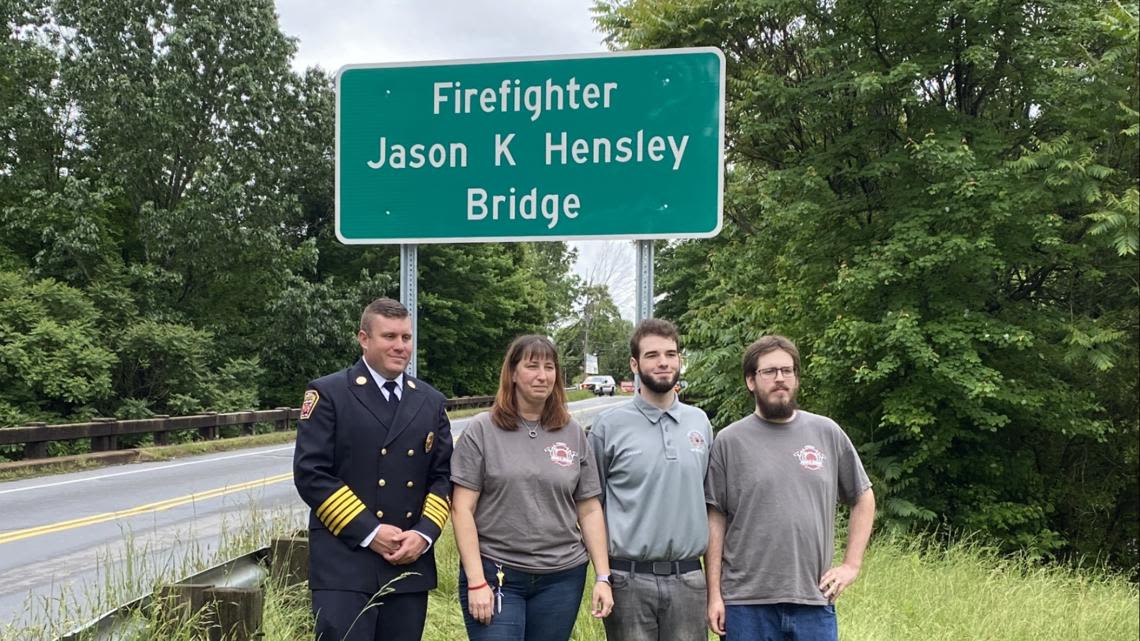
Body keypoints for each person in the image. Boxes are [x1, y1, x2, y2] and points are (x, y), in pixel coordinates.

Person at [293, 297, 453, 641]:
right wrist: (370, 531)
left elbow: (442, 477)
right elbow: (312, 473)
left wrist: (424, 534)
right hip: (345, 560)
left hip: (408, 559)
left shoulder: (431, 401)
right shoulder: (329, 393)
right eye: (389, 336)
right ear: (363, 339)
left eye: (406, 338)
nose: (400, 346)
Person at [704, 335, 875, 641]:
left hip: (814, 601)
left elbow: (863, 497)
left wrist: (851, 565)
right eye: (768, 371)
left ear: (796, 378)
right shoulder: (729, 442)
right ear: (750, 381)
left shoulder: (827, 433)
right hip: (745, 605)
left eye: (787, 370)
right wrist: (714, 595)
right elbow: (715, 519)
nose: (779, 378)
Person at [450, 334, 614, 641]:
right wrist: (475, 580)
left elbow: (589, 509)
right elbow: (461, 508)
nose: (542, 375)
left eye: (549, 367)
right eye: (532, 366)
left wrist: (603, 576)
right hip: (497, 575)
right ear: (512, 373)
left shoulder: (573, 432)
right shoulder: (482, 430)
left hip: (562, 578)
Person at [588, 318, 713, 641]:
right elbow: (590, 507)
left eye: (671, 354)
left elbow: (712, 506)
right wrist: (602, 576)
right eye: (652, 355)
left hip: (689, 579)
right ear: (634, 363)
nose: (663, 362)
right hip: (628, 580)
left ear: (680, 360)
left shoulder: (699, 423)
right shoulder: (608, 426)